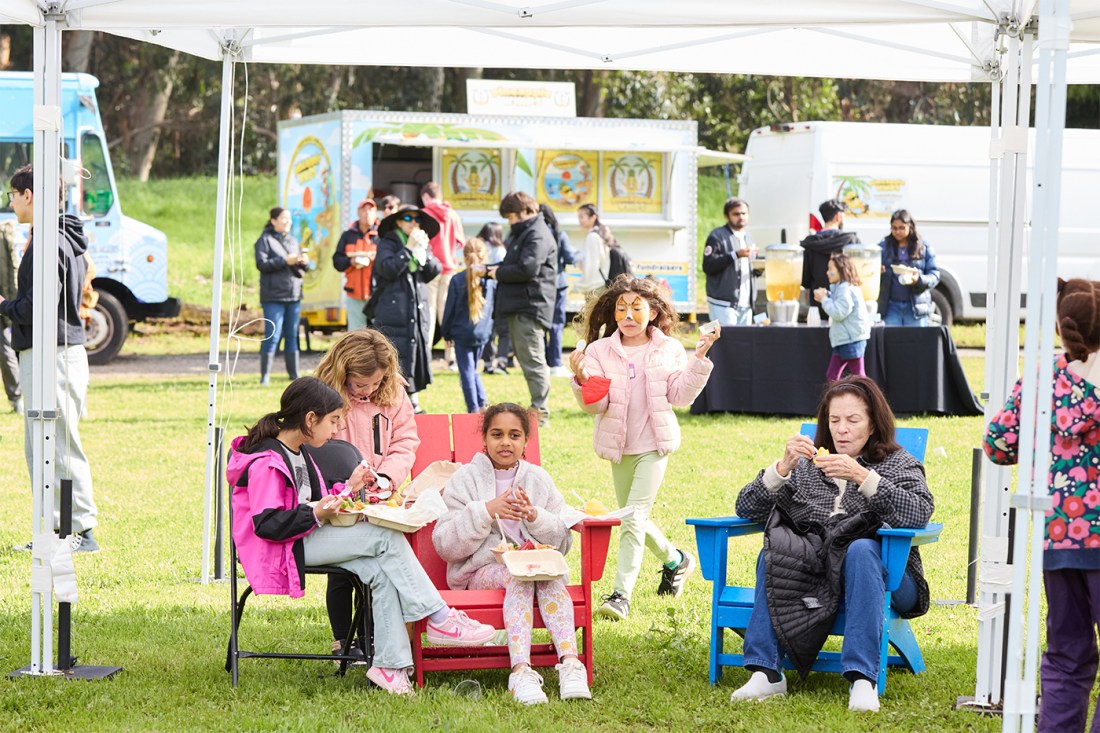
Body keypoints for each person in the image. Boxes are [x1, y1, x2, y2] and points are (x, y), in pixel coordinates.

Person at [227, 377, 497, 695]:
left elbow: (311, 502)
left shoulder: (298, 452)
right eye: (333, 421)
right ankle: (439, 617)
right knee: (383, 538)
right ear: (310, 419)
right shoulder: (268, 462)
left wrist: (348, 489)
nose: (336, 429)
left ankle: (389, 667)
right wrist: (316, 514)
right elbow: (268, 524)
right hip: (281, 549)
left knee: (381, 572)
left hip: (302, 537)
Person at [732, 375, 934, 712]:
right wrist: (782, 468)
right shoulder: (808, 467)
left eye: (853, 420)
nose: (842, 429)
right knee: (776, 550)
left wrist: (862, 476)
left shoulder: (897, 463)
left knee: (861, 548)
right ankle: (767, 673)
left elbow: (919, 512)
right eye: (834, 420)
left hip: (890, 575)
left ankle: (862, 679)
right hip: (816, 573)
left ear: (872, 425)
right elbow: (746, 507)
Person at [984, 277, 1100, 733]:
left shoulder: (1042, 378)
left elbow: (997, 444)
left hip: (1061, 538)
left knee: (1067, 653)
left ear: (1060, 325)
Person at [568, 276, 718, 620]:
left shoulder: (668, 349)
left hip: (655, 445)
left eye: (636, 308)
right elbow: (597, 406)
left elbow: (680, 397)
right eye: (621, 309)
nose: (628, 315)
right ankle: (676, 561)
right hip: (620, 447)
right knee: (632, 519)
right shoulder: (598, 351)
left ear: (653, 313)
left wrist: (698, 359)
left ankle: (621, 594)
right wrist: (582, 380)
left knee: (633, 518)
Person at [432, 402, 592, 704]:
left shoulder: (538, 479)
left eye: (514, 435)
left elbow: (562, 542)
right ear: (485, 439)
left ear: (526, 441)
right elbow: (445, 545)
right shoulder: (465, 480)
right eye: (497, 434)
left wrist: (535, 517)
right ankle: (521, 671)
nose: (505, 442)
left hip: (536, 567)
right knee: (518, 576)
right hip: (481, 572)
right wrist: (485, 512)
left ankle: (570, 663)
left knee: (548, 575)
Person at [0, 165, 98, 552]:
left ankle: (81, 531)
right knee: (41, 446)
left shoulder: (50, 241)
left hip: (54, 354)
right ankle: (56, 530)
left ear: (29, 194)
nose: (10, 201)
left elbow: (40, 306)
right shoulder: (51, 237)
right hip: (48, 352)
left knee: (58, 443)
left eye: (12, 193)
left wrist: (5, 306)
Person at [313, 328, 421, 660]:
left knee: (379, 566)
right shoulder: (321, 395)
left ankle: (371, 637)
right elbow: (315, 447)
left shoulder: (395, 394)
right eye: (360, 385)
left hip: (380, 495)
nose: (369, 390)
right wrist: (344, 482)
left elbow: (405, 441)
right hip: (337, 494)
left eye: (375, 383)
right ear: (343, 371)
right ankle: (343, 640)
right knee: (343, 570)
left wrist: (387, 477)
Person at [489, 192, 557, 427]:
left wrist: (496, 273)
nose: (509, 222)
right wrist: (493, 268)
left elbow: (526, 269)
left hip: (530, 306)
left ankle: (540, 414)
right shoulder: (526, 233)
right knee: (528, 360)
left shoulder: (537, 234)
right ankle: (538, 410)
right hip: (521, 305)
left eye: (511, 216)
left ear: (526, 212)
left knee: (533, 361)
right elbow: (514, 265)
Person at [368, 206, 441, 414]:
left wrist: (424, 250)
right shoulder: (388, 242)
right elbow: (387, 268)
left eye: (417, 220)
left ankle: (412, 402)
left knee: (414, 354)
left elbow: (433, 271)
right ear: (398, 222)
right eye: (407, 218)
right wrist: (408, 249)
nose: (413, 222)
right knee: (392, 356)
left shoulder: (420, 244)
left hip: (415, 311)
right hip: (393, 311)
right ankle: (391, 403)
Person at [254, 206, 309, 386]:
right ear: (273, 221)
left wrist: (303, 262)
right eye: (283, 218)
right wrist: (284, 261)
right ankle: (265, 377)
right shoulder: (264, 240)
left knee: (292, 335)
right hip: (273, 296)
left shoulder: (293, 241)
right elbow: (261, 264)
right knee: (272, 335)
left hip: (293, 294)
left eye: (289, 219)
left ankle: (294, 375)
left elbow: (301, 268)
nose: (287, 222)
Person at [442, 238, 496, 413]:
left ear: (464, 257)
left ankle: (473, 409)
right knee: (473, 370)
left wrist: (446, 333)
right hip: (482, 333)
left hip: (461, 333)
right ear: (484, 256)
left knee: (466, 372)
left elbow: (449, 309)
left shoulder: (457, 280)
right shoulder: (490, 281)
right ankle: (483, 403)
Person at [421, 182, 466, 371]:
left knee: (428, 313)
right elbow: (460, 242)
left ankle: (426, 356)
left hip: (431, 269)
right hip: (449, 268)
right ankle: (451, 358)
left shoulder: (424, 213)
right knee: (447, 315)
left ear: (425, 196)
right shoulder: (453, 214)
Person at [877, 209, 941, 327]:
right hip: (891, 307)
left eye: (902, 228)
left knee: (915, 343)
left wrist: (919, 280)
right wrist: (878, 272)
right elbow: (871, 270)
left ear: (910, 227)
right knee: (892, 342)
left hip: (915, 308)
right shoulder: (884, 247)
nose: (897, 232)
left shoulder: (924, 247)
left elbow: (935, 275)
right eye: (894, 228)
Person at [814, 252, 871, 380]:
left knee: (858, 377)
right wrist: (828, 295)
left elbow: (839, 313)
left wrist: (824, 299)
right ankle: (835, 399)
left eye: (830, 269)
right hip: (844, 339)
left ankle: (867, 399)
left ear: (841, 269)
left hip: (851, 340)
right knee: (833, 376)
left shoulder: (845, 288)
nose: (827, 273)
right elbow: (841, 303)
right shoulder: (842, 288)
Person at [703, 197, 758, 326]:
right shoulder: (717, 236)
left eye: (744, 213)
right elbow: (708, 266)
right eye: (736, 214)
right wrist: (735, 255)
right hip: (723, 303)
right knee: (726, 343)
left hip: (746, 304)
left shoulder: (748, 239)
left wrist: (758, 269)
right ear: (727, 216)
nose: (741, 217)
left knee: (744, 343)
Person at [801, 199, 860, 319]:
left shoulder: (810, 244)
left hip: (818, 303)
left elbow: (805, 280)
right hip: (845, 304)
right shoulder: (851, 241)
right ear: (838, 216)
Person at [539, 204, 580, 378]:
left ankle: (542, 361)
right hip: (558, 284)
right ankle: (555, 362)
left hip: (540, 285)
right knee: (556, 325)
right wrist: (580, 255)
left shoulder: (536, 234)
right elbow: (570, 257)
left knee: (540, 324)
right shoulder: (559, 234)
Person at [333, 198, 379, 332]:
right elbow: (337, 262)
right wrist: (351, 262)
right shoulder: (347, 236)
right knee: (356, 335)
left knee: (381, 334)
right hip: (354, 294)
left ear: (375, 213)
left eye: (370, 210)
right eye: (364, 210)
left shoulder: (381, 235)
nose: (367, 213)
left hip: (376, 294)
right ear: (358, 213)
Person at [477, 222, 512, 375]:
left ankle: (488, 363)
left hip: (483, 292)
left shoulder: (480, 248)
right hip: (501, 293)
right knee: (504, 330)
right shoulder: (501, 250)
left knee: (487, 329)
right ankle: (502, 361)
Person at [0, 218, 22, 414]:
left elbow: (9, 273)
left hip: (2, 304)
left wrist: (9, 304)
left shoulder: (4, 234)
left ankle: (15, 398)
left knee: (6, 351)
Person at [576, 204, 611, 292]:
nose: (579, 220)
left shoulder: (593, 236)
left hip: (595, 286)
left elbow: (592, 264)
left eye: (581, 217)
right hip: (602, 283)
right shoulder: (602, 232)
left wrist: (581, 285)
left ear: (593, 217)